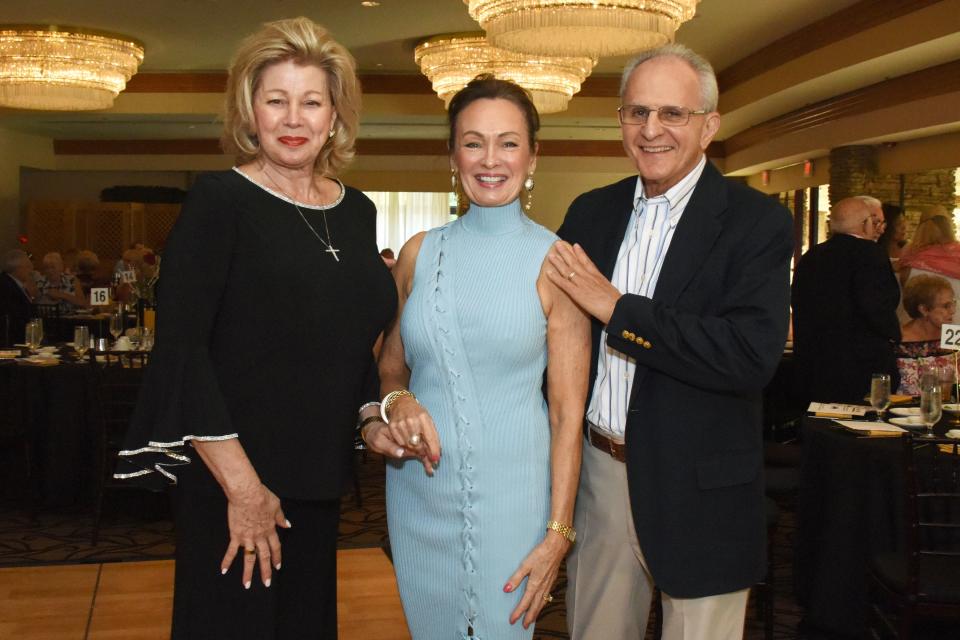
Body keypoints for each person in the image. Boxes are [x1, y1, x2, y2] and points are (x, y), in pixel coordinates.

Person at [115, 17, 396, 639]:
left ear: (334, 116)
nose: (293, 119)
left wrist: (372, 416)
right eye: (276, 101)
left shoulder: (356, 211)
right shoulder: (219, 202)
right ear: (251, 111)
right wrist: (245, 492)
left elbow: (347, 341)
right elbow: (184, 355)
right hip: (232, 481)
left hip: (317, 480)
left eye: (311, 102)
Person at [547, 44, 794, 640]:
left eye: (672, 114)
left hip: (702, 487)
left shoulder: (756, 221)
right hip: (601, 476)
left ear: (708, 125)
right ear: (621, 121)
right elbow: (552, 333)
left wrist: (618, 310)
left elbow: (748, 355)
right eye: (637, 112)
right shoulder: (591, 212)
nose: (651, 130)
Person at [367, 76, 590, 639]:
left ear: (533, 156)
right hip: (417, 491)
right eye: (473, 142)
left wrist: (558, 532)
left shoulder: (559, 265)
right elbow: (390, 364)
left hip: (514, 496)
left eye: (509, 143)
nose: (491, 160)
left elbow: (567, 416)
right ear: (452, 155)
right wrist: (400, 400)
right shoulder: (419, 253)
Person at [792, 196, 901, 403]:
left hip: (815, 360)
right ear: (864, 224)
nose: (880, 229)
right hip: (859, 363)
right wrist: (893, 335)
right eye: (876, 222)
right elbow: (878, 306)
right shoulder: (870, 254)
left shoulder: (812, 256)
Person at [896, 274, 956, 395]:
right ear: (924, 309)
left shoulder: (953, 334)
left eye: (952, 304)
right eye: (946, 306)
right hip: (905, 410)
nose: (952, 311)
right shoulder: (899, 340)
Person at [0, 249, 36, 346]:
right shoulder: (6, 285)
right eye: (28, 266)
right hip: (14, 341)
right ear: (18, 268)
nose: (31, 270)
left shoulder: (12, 282)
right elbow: (13, 315)